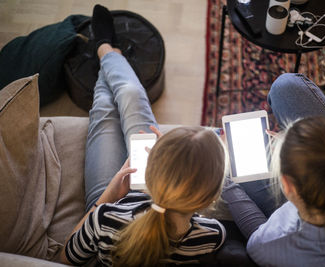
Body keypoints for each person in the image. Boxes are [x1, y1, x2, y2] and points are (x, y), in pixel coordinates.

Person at [59, 5, 226, 266]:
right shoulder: (212, 235)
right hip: (161, 191)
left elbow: (66, 257)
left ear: (152, 171)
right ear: (211, 199)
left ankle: (104, 49)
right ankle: (109, 53)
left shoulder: (104, 219)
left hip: (114, 197)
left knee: (107, 108)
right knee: (127, 96)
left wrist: (109, 197)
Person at [222, 73, 325, 266]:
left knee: (215, 141)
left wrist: (224, 176)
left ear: (286, 185)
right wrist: (304, 149)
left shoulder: (271, 245)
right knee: (286, 86)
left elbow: (255, 236)